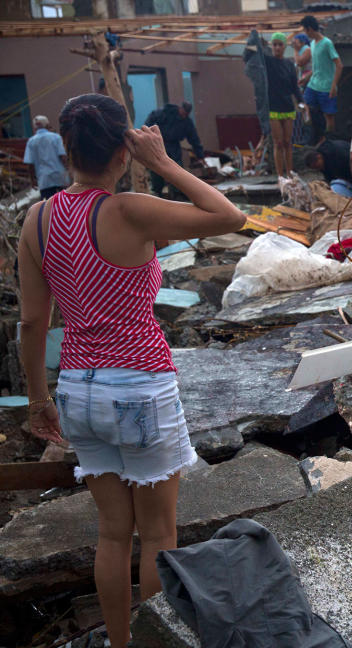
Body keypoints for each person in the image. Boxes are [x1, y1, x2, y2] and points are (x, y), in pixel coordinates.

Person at [16, 93, 246, 647]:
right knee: (159, 534)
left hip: (76, 389)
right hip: (139, 385)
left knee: (113, 534)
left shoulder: (38, 219)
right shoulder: (128, 209)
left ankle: (120, 644)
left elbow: (30, 322)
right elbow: (230, 217)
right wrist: (163, 162)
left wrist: (36, 401)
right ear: (125, 148)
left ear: (65, 149)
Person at [258, 32, 303, 177]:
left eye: (280, 44)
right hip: (272, 108)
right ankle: (280, 175)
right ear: (272, 46)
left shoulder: (289, 64)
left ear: (284, 46)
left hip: (287, 107)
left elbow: (294, 86)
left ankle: (289, 173)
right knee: (278, 143)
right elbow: (258, 54)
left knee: (287, 142)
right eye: (275, 44)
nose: (277, 47)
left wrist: (302, 101)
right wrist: (260, 43)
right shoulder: (268, 62)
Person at [143, 102, 204, 198]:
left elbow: (194, 139)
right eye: (183, 113)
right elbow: (151, 119)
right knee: (157, 167)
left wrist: (200, 155)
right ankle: (157, 191)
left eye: (186, 115)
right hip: (160, 143)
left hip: (174, 146)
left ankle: (177, 192)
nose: (184, 116)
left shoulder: (187, 122)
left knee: (177, 168)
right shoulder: (166, 112)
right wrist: (148, 133)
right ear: (180, 108)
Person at [300, 15, 342, 140]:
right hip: (313, 85)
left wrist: (334, 85)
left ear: (310, 29)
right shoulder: (312, 44)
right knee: (305, 106)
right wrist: (306, 78)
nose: (305, 33)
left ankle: (329, 140)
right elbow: (317, 67)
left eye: (305, 30)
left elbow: (339, 65)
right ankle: (312, 136)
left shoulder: (327, 43)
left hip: (326, 87)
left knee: (329, 116)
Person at [23, 115, 69, 199]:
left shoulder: (31, 142)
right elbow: (63, 157)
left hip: (44, 181)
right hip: (60, 177)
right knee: (66, 202)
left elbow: (30, 164)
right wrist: (68, 171)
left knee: (49, 206)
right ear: (47, 125)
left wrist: (32, 180)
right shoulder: (56, 137)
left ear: (34, 128)